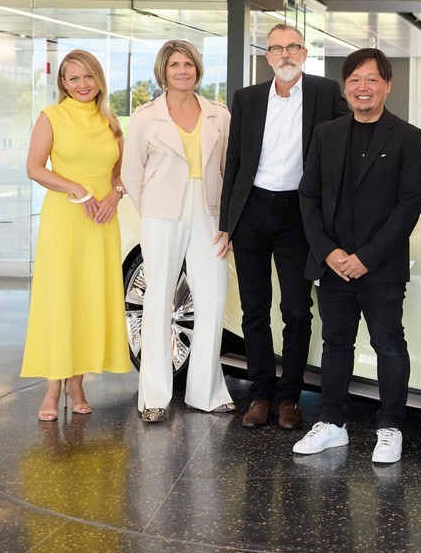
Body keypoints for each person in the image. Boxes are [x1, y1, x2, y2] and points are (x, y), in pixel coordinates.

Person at [295, 48, 421, 464]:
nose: (362, 87)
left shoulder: (407, 137)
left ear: (388, 84)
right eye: (354, 80)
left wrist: (365, 257)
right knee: (336, 343)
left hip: (380, 266)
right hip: (332, 264)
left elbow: (407, 207)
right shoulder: (326, 133)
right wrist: (329, 252)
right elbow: (308, 196)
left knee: (389, 344)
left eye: (371, 79)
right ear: (345, 86)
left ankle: (390, 427)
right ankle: (332, 424)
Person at [220, 24, 347, 431]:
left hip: (299, 213)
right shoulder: (247, 99)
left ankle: (290, 395)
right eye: (277, 48)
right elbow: (234, 163)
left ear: (305, 52)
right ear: (267, 56)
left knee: (296, 308)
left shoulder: (326, 93)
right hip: (252, 211)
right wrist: (227, 222)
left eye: (293, 46)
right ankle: (260, 393)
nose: (285, 54)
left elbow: (351, 136)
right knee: (253, 308)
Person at [121, 39, 234, 423]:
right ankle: (154, 395)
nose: (182, 70)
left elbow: (228, 170)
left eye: (188, 63)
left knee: (213, 297)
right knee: (158, 300)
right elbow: (131, 172)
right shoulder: (145, 116)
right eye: (174, 65)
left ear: (197, 69)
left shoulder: (218, 114)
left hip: (210, 210)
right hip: (161, 211)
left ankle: (207, 391)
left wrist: (227, 221)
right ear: (163, 71)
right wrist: (151, 211)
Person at [21, 49, 133, 421]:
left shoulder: (112, 122)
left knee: (88, 301)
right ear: (63, 84)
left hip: (101, 223)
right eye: (73, 78)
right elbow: (34, 169)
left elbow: (122, 173)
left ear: (98, 80)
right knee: (61, 301)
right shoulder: (51, 117)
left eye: (88, 77)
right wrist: (78, 190)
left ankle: (77, 383)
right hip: (65, 222)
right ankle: (53, 389)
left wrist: (115, 196)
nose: (82, 85)